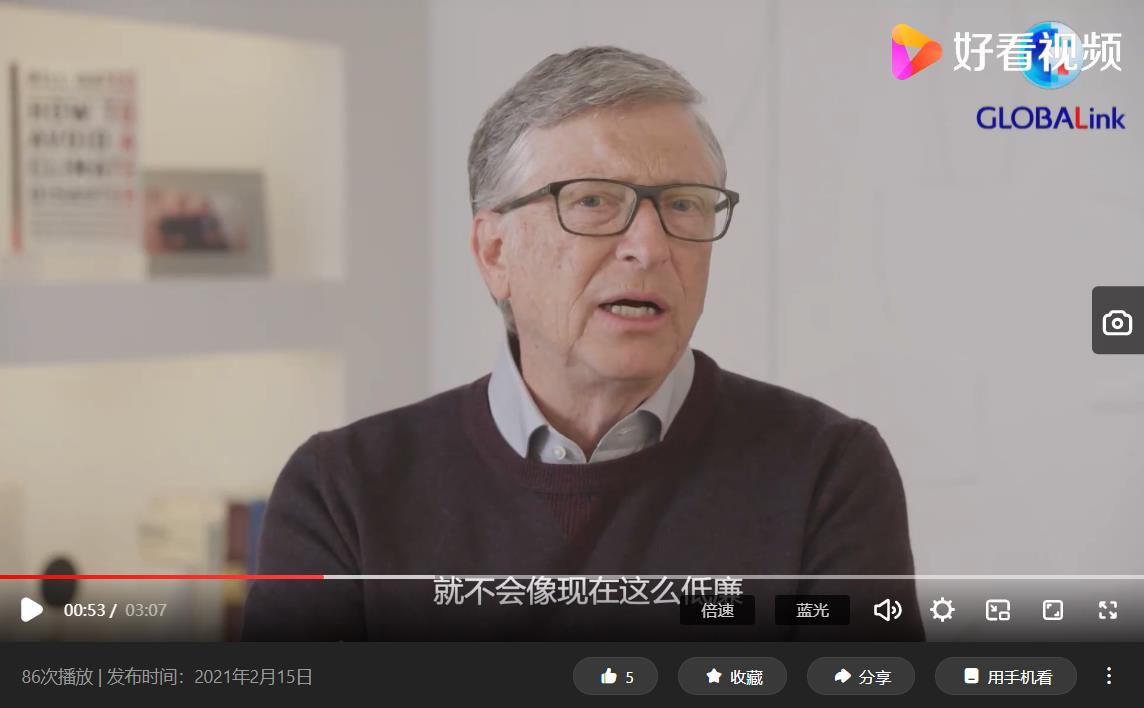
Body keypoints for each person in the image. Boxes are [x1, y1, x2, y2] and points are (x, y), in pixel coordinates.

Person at [243, 46, 921, 641]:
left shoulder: (827, 471)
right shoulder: (342, 490)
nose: (649, 246)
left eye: (684, 204)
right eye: (594, 201)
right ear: (494, 251)